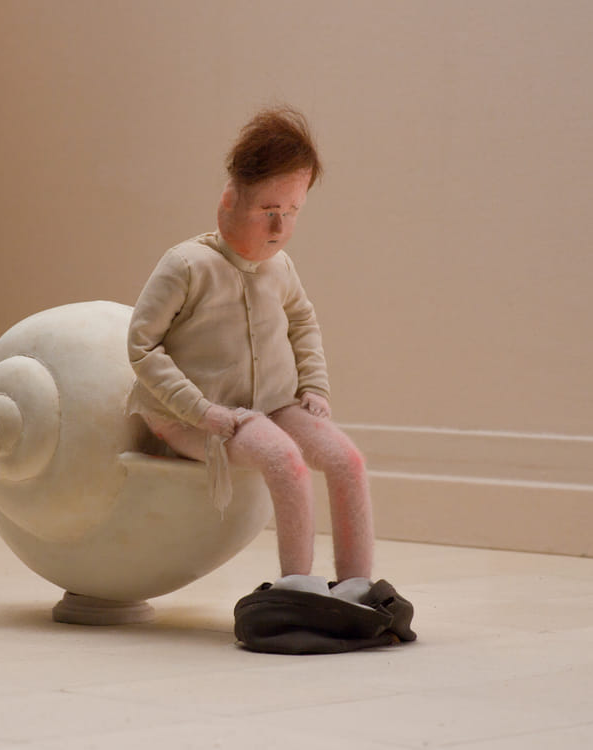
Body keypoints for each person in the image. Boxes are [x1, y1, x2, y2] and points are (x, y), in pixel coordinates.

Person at [126, 106, 379, 600]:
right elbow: (142, 345)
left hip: (273, 404)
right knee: (285, 460)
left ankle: (357, 588)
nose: (280, 226)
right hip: (200, 415)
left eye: (293, 211)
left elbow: (303, 322)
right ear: (228, 202)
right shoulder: (186, 266)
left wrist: (314, 385)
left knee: (347, 460)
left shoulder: (281, 267)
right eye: (268, 210)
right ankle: (298, 589)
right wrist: (200, 410)